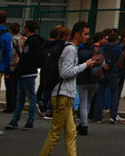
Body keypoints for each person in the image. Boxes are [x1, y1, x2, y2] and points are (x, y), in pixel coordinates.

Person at [38, 20, 104, 156]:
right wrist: (85, 65)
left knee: (71, 132)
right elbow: (65, 72)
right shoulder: (70, 49)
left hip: (65, 95)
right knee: (56, 133)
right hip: (62, 95)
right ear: (77, 34)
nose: (87, 37)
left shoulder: (71, 48)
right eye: (85, 34)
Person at [6, 19, 43, 130]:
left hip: (27, 72)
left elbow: (30, 57)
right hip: (25, 72)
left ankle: (29, 121)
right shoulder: (29, 40)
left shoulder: (33, 41)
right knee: (21, 97)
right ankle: (16, 120)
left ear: (27, 28)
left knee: (29, 97)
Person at [75, 30, 105, 135]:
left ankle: (84, 125)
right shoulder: (97, 51)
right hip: (95, 79)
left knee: (83, 103)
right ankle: (84, 122)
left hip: (82, 79)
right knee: (88, 102)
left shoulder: (79, 51)